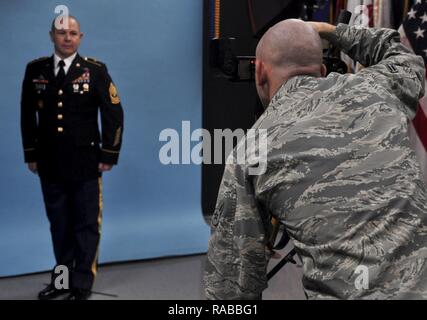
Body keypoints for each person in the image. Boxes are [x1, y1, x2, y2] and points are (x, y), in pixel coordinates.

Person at [204, 19, 427, 299]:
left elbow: (229, 289)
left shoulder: (251, 151)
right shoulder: (377, 90)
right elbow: (405, 56)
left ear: (259, 72)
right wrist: (331, 30)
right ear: (321, 71)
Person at [21, 15, 124, 300]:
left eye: (73, 33)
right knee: (60, 224)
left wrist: (109, 154)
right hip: (50, 162)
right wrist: (31, 153)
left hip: (86, 163)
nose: (67, 37)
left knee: (86, 224)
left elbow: (114, 113)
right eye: (61, 32)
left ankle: (81, 285)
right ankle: (63, 281)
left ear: (81, 37)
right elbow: (27, 115)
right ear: (51, 36)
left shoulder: (95, 70)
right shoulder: (36, 70)